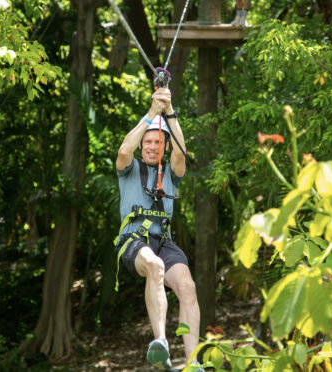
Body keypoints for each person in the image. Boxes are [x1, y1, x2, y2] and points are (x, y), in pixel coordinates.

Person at [114, 87, 203, 371]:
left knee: (188, 286)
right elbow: (123, 150)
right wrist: (153, 112)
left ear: (163, 147)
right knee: (154, 266)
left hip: (163, 242)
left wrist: (170, 111)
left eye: (158, 143)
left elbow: (180, 153)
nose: (152, 146)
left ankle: (192, 364)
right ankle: (161, 343)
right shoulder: (129, 169)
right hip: (134, 241)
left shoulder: (170, 175)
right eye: (148, 142)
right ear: (143, 145)